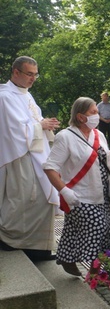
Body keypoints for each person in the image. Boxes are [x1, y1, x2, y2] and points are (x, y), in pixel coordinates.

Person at [43, 97, 110, 276]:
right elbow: (50, 167)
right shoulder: (65, 137)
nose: (98, 115)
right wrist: (64, 191)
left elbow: (105, 161)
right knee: (98, 228)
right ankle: (95, 274)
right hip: (79, 195)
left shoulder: (99, 134)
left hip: (102, 195)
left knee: (84, 229)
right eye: (93, 112)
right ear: (80, 117)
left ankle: (66, 258)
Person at [0, 56, 60, 262]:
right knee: (24, 199)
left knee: (42, 199)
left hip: (35, 154)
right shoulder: (5, 97)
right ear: (15, 72)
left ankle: (39, 248)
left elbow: (33, 121)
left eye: (35, 74)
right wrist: (40, 126)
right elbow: (14, 130)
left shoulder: (26, 96)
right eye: (29, 74)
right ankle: (11, 240)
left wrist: (45, 124)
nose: (33, 78)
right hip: (18, 157)